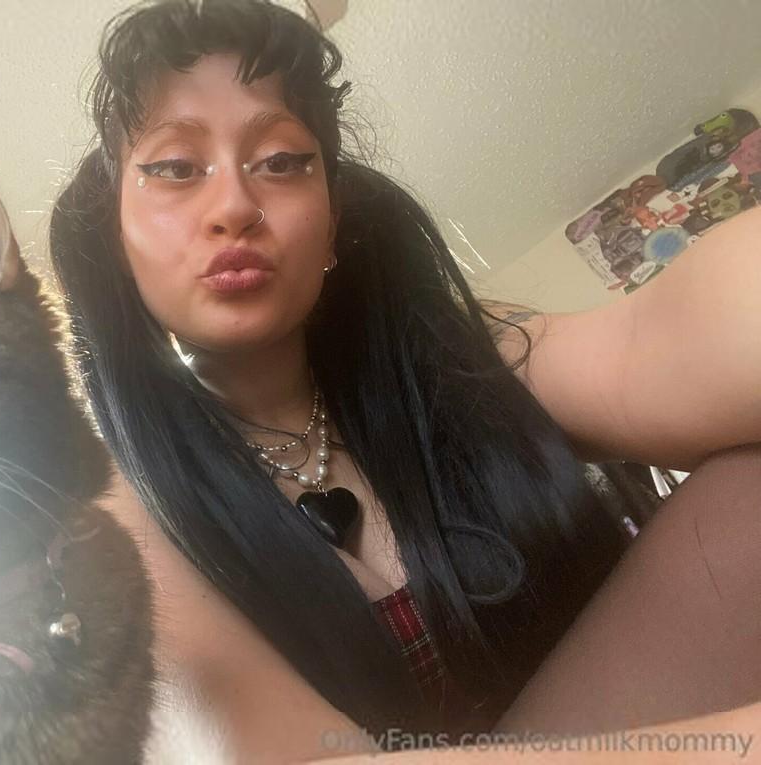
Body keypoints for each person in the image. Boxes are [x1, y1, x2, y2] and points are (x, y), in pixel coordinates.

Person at [48, 0, 761, 758]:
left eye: (282, 160)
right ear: (117, 239)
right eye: (174, 168)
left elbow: (658, 341)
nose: (233, 205)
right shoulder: (115, 506)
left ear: (331, 224)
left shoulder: (452, 350)